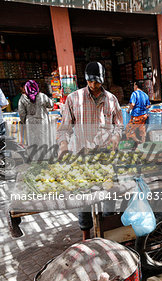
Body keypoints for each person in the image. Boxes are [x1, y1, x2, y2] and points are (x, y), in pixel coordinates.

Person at [56, 61, 123, 240]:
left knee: (109, 197)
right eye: (91, 82)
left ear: (103, 80)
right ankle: (86, 236)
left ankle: (108, 236)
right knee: (84, 200)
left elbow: (119, 125)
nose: (94, 86)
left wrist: (116, 137)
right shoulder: (73, 99)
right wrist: (63, 146)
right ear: (86, 80)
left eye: (98, 82)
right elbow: (64, 129)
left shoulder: (111, 99)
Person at [18, 80, 54, 159]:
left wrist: (25, 122)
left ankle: (35, 160)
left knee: (33, 141)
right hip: (43, 122)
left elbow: (21, 113)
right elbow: (51, 105)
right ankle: (46, 158)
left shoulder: (22, 98)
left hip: (30, 123)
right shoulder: (42, 96)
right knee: (44, 140)